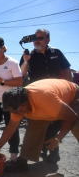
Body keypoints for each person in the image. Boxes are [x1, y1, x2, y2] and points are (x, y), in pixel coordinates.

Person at [0, 79, 79, 172]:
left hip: (73, 96)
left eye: (14, 112)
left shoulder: (44, 97)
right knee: (32, 131)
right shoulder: (16, 103)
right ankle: (21, 163)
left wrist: (57, 139)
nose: (14, 114)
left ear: (23, 105)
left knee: (76, 127)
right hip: (51, 103)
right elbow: (11, 128)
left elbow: (72, 117)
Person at [20, 29, 72, 163]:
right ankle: (36, 153)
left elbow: (67, 70)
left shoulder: (57, 52)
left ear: (48, 40)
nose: (37, 41)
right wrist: (26, 61)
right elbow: (22, 73)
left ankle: (53, 153)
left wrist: (68, 86)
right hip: (37, 97)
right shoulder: (28, 55)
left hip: (56, 94)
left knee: (54, 125)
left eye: (41, 38)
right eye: (35, 38)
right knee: (36, 125)